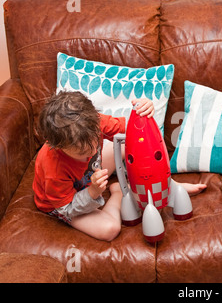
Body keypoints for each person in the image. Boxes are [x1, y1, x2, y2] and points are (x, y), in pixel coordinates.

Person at [33, 91, 206, 241]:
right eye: (82, 152)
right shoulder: (52, 166)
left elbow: (135, 131)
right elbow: (67, 208)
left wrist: (145, 112)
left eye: (95, 141)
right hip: (66, 204)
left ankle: (164, 186)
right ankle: (119, 191)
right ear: (59, 147)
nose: (93, 149)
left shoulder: (91, 123)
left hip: (91, 177)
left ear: (95, 119)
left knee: (130, 143)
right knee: (110, 229)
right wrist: (92, 192)